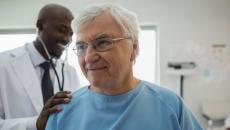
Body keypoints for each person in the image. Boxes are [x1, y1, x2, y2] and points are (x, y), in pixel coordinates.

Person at [45, 3, 203, 130]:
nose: (88, 57)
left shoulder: (170, 106)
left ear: (133, 48)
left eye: (103, 43)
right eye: (81, 47)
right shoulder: (62, 112)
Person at [0, 3, 80, 130]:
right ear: (40, 25)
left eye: (71, 34)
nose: (67, 39)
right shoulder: (3, 64)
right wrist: (35, 124)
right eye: (62, 30)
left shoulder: (69, 72)